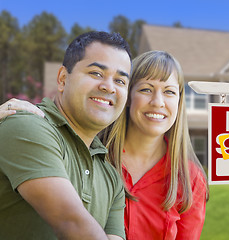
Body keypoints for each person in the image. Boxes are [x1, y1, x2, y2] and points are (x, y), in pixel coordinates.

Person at [1, 50, 208, 239]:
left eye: (169, 92)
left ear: (180, 102)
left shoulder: (190, 177)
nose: (158, 102)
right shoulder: (90, 150)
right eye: (146, 89)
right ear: (127, 95)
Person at [0, 31, 132, 240]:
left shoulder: (111, 177)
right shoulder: (26, 124)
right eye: (96, 73)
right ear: (62, 78)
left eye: (120, 81)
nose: (108, 86)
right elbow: (71, 222)